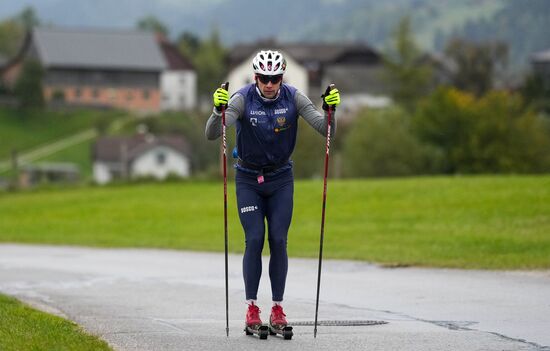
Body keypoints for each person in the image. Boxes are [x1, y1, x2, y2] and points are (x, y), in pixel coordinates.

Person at [205, 50, 340, 331]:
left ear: (282, 77)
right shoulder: (242, 98)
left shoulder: (293, 97)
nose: (269, 83)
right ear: (255, 77)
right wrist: (217, 111)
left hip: (280, 179)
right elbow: (213, 132)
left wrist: (330, 110)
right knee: (254, 239)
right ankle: (251, 309)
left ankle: (277, 310)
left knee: (278, 240)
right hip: (248, 179)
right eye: (264, 78)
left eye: (274, 78)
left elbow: (325, 129)